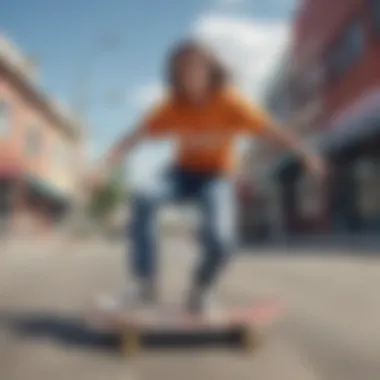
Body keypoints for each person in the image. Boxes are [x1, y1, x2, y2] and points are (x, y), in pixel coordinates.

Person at [94, 40, 325, 316]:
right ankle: (144, 284)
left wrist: (306, 154)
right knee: (143, 195)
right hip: (180, 174)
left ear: (209, 70)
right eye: (182, 71)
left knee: (222, 239)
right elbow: (133, 137)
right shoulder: (171, 107)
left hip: (216, 177)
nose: (189, 77)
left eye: (195, 69)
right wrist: (104, 166)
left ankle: (201, 289)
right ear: (175, 77)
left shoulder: (231, 102)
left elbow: (273, 131)